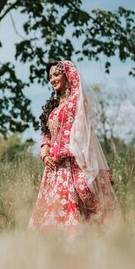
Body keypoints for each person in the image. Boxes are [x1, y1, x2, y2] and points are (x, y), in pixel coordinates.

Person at [29, 60, 117, 232]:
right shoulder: (53, 107)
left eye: (56, 74)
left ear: (67, 74)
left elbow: (84, 132)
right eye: (49, 77)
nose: (52, 79)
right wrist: (45, 151)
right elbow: (47, 133)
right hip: (53, 168)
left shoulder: (77, 101)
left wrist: (63, 152)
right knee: (52, 208)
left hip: (73, 162)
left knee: (79, 206)